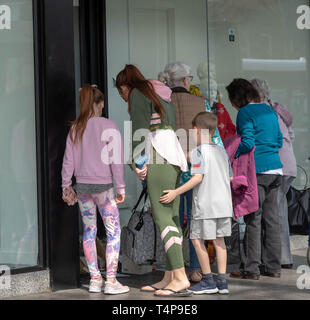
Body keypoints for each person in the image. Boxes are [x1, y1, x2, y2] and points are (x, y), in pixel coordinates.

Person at [116, 65, 191, 297]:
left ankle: (179, 277)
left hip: (158, 153)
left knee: (161, 216)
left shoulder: (139, 94)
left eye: (121, 92)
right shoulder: (160, 92)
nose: (123, 97)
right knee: (173, 216)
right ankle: (169, 276)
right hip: (174, 154)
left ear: (126, 86)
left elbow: (139, 131)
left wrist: (136, 164)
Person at [61, 84, 129, 295]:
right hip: (104, 188)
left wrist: (66, 185)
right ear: (100, 103)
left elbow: (68, 161)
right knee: (113, 231)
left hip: (82, 187)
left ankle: (94, 280)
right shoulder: (109, 126)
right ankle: (111, 281)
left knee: (89, 231)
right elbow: (116, 161)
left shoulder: (76, 127)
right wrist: (121, 187)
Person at [160, 112, 233, 295]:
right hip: (223, 205)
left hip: (205, 206)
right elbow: (228, 177)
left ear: (197, 131)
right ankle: (222, 283)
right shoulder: (221, 152)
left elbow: (198, 178)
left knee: (196, 239)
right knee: (219, 242)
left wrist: (176, 192)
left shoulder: (199, 151)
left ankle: (208, 281)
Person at [226, 79, 283, 280]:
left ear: (237, 98)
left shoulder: (244, 113)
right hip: (276, 170)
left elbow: (248, 142)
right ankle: (274, 267)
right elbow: (278, 140)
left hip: (256, 171)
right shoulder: (269, 110)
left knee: (253, 219)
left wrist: (233, 152)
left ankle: (251, 269)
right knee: (272, 220)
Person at [158, 62, 206, 282]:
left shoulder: (161, 102)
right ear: (186, 81)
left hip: (169, 166)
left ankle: (174, 269)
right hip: (195, 166)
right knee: (195, 218)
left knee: (172, 218)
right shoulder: (199, 102)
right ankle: (195, 269)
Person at [251, 78, 297, 268]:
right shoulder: (277, 109)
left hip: (273, 166)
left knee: (274, 215)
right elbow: (291, 136)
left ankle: (280, 259)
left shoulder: (260, 112)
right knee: (279, 212)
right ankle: (281, 257)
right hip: (287, 165)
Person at [189, 61, 236, 140]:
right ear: (200, 74)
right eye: (210, 71)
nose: (213, 73)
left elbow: (220, 109)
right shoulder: (193, 89)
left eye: (214, 71)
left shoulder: (215, 90)